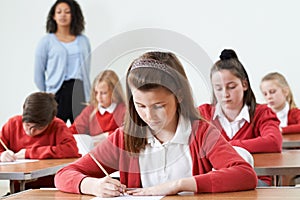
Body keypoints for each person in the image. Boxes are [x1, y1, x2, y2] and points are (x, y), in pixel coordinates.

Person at [55, 51, 257, 197]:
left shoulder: (201, 133)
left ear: (178, 95)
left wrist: (177, 185)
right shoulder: (125, 137)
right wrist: (92, 185)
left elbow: (245, 175)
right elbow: (64, 175)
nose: (149, 116)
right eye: (140, 105)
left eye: (159, 106)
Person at [198, 49, 282, 186]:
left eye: (231, 87)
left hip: (254, 180)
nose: (225, 94)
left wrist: (224, 146)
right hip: (214, 182)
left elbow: (273, 142)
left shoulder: (261, 112)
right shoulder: (203, 113)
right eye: (218, 88)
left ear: (244, 84)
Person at [0, 92, 80, 192]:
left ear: (50, 121)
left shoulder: (57, 126)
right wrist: (2, 155)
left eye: (38, 128)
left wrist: (28, 153)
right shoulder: (12, 124)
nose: (31, 131)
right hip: (18, 191)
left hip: (50, 191)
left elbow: (71, 150)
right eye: (27, 125)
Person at [34, 0, 91, 123]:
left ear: (73, 15)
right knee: (55, 131)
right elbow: (38, 73)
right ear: (53, 16)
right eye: (59, 12)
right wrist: (48, 93)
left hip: (78, 90)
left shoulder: (83, 41)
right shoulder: (46, 41)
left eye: (67, 12)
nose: (63, 15)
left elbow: (87, 71)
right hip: (56, 93)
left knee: (82, 132)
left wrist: (88, 95)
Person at [69, 70, 126, 143]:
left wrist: (106, 136)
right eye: (96, 92)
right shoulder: (90, 110)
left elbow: (127, 135)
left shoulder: (124, 110)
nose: (99, 97)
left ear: (114, 92)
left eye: (104, 93)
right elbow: (74, 129)